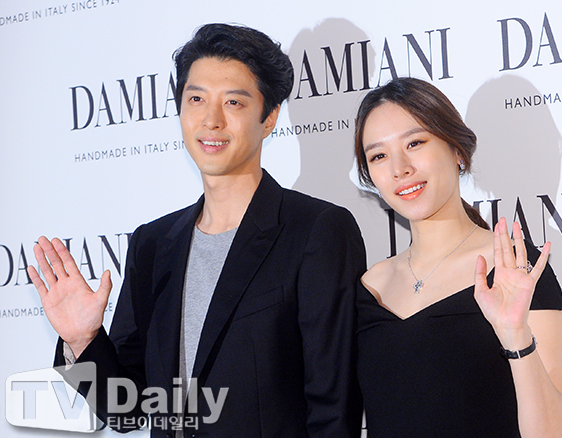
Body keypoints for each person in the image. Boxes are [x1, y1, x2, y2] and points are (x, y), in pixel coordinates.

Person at [27, 23, 366, 438]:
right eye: (196, 99)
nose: (211, 120)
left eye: (234, 102)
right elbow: (127, 410)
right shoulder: (152, 244)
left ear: (269, 117)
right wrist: (83, 340)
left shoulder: (316, 231)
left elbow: (334, 410)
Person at [353, 77, 562, 437]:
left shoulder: (513, 268)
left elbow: (555, 432)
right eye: (378, 156)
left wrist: (515, 333)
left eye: (415, 143)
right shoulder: (369, 287)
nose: (399, 168)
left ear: (457, 151)